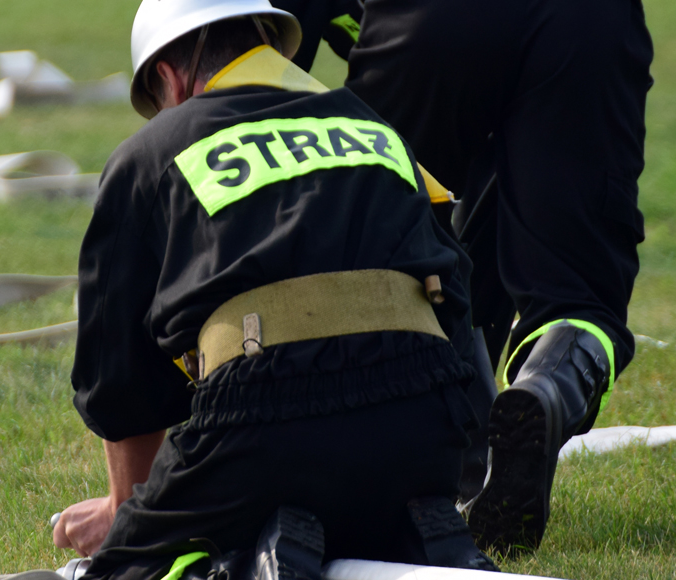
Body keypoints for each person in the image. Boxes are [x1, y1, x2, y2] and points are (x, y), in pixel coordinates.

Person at [51, 0, 499, 578]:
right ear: (266, 41)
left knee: (130, 569)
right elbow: (455, 294)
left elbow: (117, 378)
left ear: (167, 75)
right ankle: (420, 539)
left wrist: (131, 514)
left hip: (262, 428)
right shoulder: (373, 127)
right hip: (421, 430)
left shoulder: (152, 153)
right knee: (369, 512)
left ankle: (240, 565)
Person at [268, 0, 654, 555]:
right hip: (592, 19)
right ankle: (543, 388)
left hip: (434, 20)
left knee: (379, 257)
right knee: (578, 298)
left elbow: (248, 69)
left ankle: (444, 462)